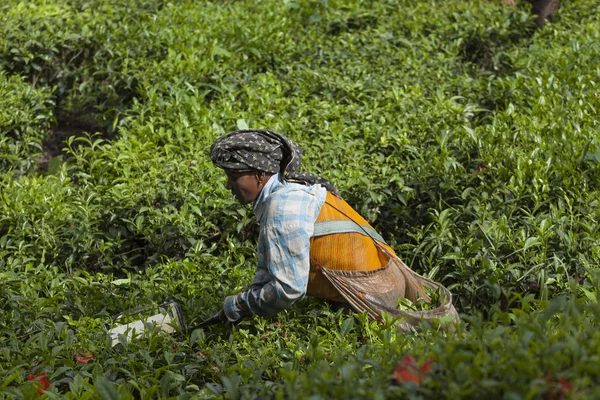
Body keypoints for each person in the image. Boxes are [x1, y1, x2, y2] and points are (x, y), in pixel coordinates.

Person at [209, 129, 457, 330]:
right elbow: (271, 270)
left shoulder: (283, 207)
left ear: (259, 175)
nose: (228, 184)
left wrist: (241, 304)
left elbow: (288, 289)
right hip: (382, 284)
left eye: (233, 175)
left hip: (375, 297)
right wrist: (241, 303)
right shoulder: (290, 191)